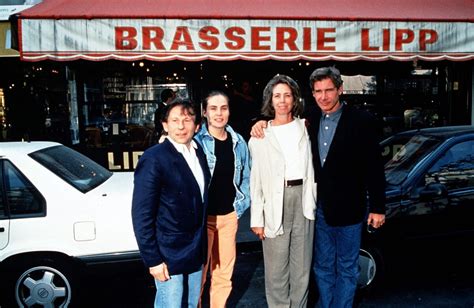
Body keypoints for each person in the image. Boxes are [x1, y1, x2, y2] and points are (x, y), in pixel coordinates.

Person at [251, 67, 386, 308]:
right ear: (312, 94)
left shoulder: (360, 121)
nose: (323, 96)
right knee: (321, 267)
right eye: (318, 91)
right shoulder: (310, 121)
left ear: (340, 90)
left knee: (346, 268)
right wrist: (259, 123)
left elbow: (374, 167)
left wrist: (377, 207)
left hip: (350, 209)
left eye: (329, 90)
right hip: (318, 208)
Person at [131, 100, 211, 308]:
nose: (181, 126)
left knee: (193, 303)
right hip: (168, 254)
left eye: (187, 120)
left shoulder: (198, 151)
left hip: (195, 250)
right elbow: (141, 215)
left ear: (197, 125)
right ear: (165, 125)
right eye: (175, 120)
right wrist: (153, 260)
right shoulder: (154, 158)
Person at [249, 74, 316, 307]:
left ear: (294, 99)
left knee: (302, 269)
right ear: (271, 99)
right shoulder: (260, 135)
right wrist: (257, 218)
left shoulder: (306, 127)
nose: (282, 100)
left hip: (304, 200)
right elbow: (255, 180)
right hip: (274, 202)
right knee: (276, 271)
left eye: (287, 95)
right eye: (277, 95)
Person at [194, 90, 251, 307]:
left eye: (223, 108)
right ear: (205, 112)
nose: (219, 113)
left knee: (223, 275)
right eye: (213, 108)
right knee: (199, 274)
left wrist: (239, 208)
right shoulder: (196, 142)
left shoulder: (238, 141)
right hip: (203, 219)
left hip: (228, 218)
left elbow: (247, 175)